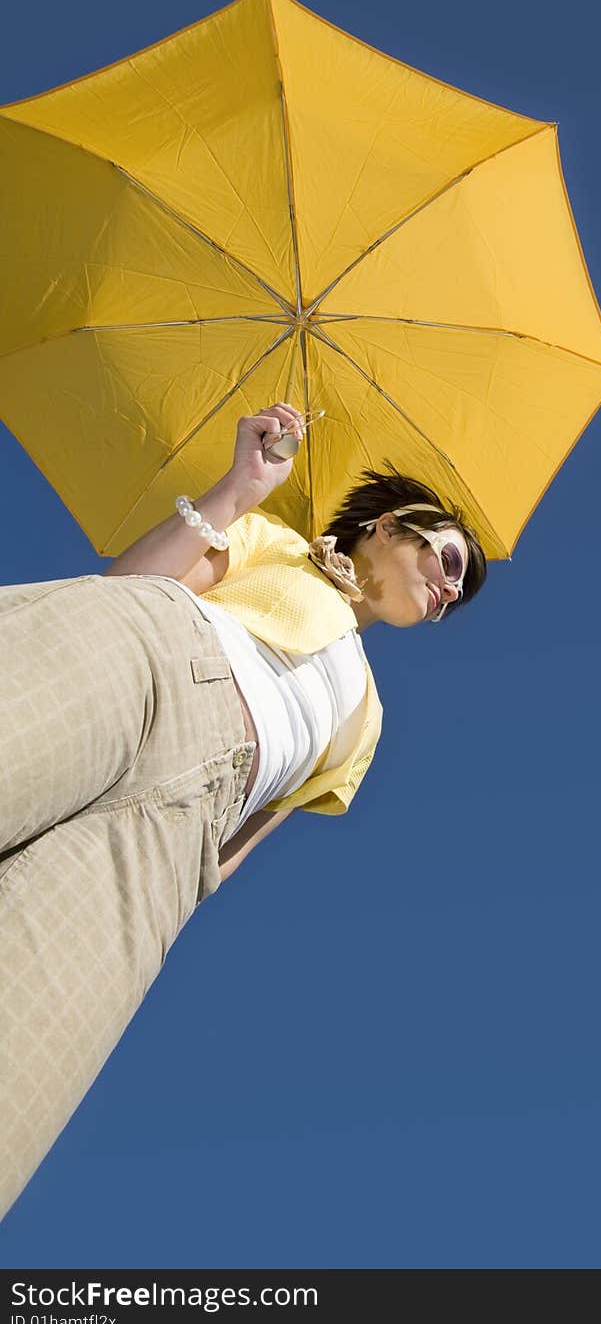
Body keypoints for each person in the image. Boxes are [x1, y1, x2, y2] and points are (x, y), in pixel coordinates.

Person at [0, 403, 487, 1219]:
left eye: (457, 595)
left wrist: (182, 883)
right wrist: (242, 487)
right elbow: (128, 592)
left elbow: (247, 840)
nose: (447, 589)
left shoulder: (367, 719)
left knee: (29, 1055)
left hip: (175, 833)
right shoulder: (278, 545)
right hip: (161, 661)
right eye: (447, 560)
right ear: (389, 524)